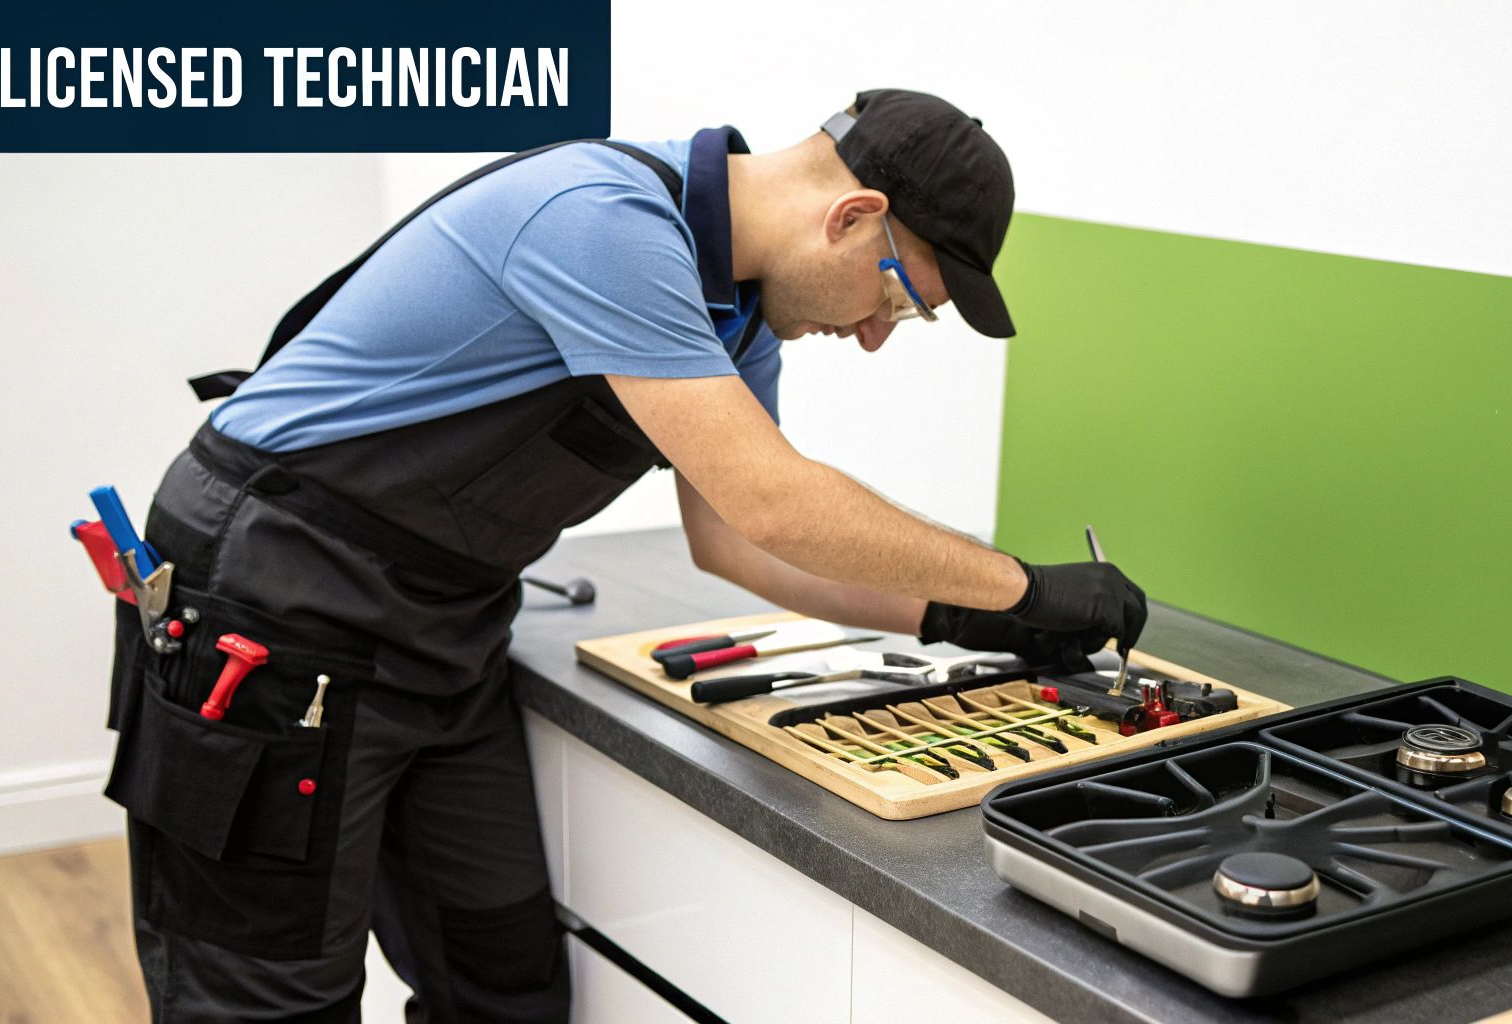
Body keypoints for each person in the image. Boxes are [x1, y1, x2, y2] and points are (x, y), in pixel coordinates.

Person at [103, 88, 1147, 1021]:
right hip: (274, 613)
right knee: (265, 1000)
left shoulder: (736, 315)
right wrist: (1024, 583)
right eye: (900, 299)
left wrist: (971, 619)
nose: (878, 334)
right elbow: (774, 500)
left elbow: (736, 543)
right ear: (852, 217)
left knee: (502, 981)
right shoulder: (603, 221)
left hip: (439, 632)